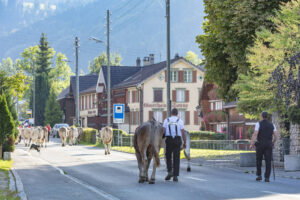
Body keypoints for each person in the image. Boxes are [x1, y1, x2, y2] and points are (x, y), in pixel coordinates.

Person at [250, 111, 278, 182]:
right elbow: (276, 135)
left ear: (261, 116)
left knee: (258, 160)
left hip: (260, 144)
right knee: (268, 161)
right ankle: (267, 177)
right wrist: (273, 142)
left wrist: (252, 143)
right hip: (269, 144)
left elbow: (255, 134)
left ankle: (259, 175)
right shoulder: (272, 124)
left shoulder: (258, 124)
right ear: (267, 116)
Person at [163, 108, 186, 182]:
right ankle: (175, 175)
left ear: (171, 113)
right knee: (176, 157)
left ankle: (170, 171)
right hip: (177, 140)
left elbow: (163, 131)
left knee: (168, 156)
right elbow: (183, 132)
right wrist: (184, 142)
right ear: (177, 114)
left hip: (169, 140)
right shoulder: (180, 121)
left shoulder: (166, 120)